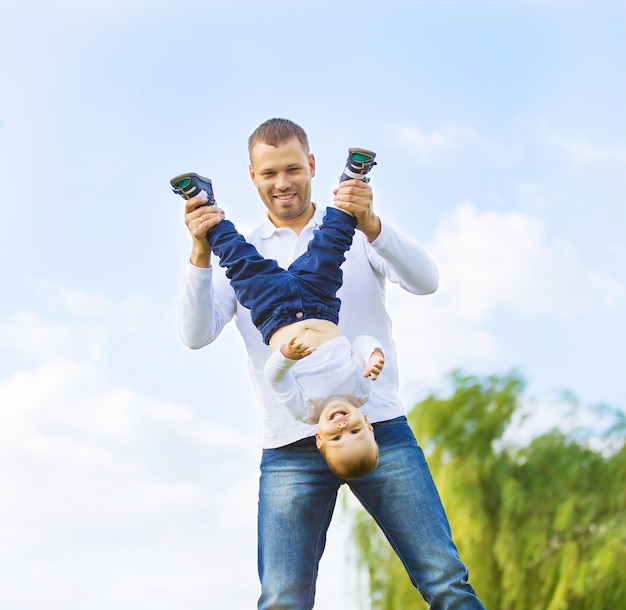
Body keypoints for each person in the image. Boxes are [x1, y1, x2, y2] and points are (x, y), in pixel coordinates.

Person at [177, 118, 486, 609]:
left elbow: (426, 281)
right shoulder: (243, 249)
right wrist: (199, 252)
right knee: (282, 599)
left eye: (294, 169)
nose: (283, 183)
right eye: (270, 173)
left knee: (445, 580)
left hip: (378, 426)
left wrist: (373, 225)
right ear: (253, 176)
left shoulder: (353, 230)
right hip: (290, 442)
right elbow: (195, 335)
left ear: (313, 167)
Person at [172, 167, 384, 479]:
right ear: (367, 422)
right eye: (355, 431)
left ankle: (202, 200)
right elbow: (361, 342)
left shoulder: (305, 409)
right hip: (319, 301)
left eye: (337, 437)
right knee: (331, 246)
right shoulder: (361, 389)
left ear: (319, 439)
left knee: (239, 259)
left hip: (273, 310)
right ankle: (353, 178)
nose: (342, 426)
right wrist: (374, 354)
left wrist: (286, 357)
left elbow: (274, 379)